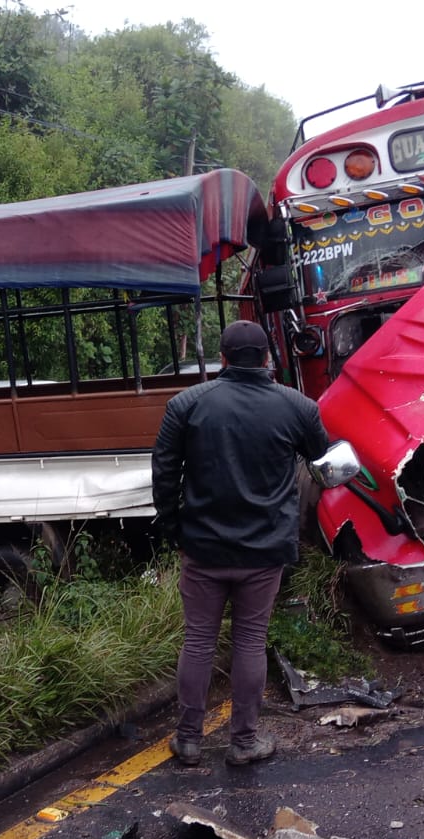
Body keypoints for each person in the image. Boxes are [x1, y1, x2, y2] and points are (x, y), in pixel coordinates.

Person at [151, 320, 328, 767]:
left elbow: (164, 474)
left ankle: (189, 740)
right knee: (250, 640)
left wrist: (174, 530)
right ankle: (243, 742)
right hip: (264, 551)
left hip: (203, 547)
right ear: (268, 359)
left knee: (198, 641)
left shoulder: (186, 405)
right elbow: (322, 457)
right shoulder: (297, 407)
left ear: (222, 359)